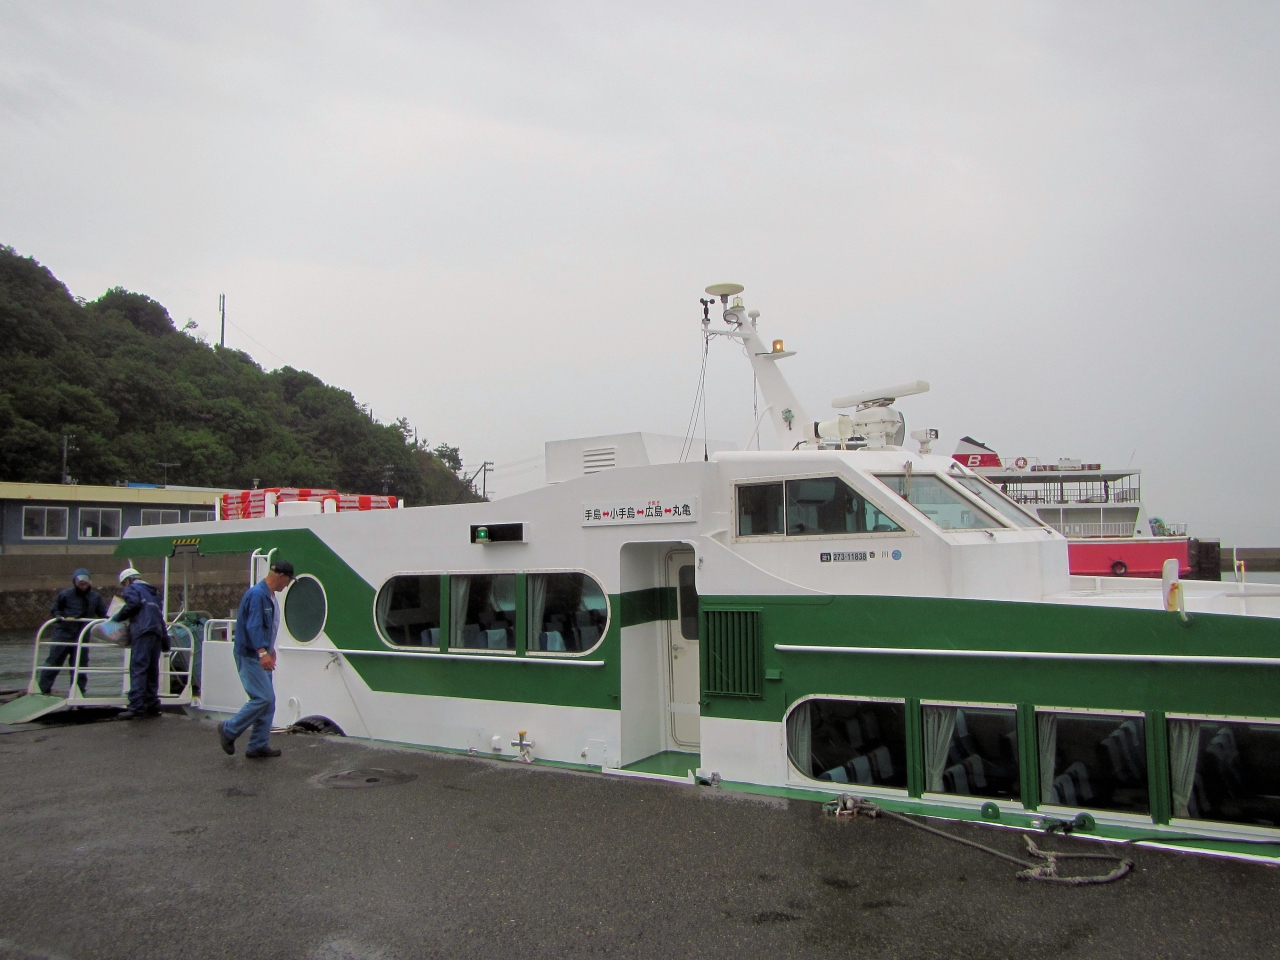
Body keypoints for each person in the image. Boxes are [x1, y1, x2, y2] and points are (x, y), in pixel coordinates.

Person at [217, 560, 294, 758]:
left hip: (259, 653)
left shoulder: (268, 595)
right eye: (287, 581)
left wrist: (269, 649)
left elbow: (267, 626)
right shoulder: (258, 595)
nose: (287, 586)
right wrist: (261, 652)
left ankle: (258, 745)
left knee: (269, 702)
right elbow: (254, 625)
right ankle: (228, 730)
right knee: (263, 698)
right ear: (281, 576)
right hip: (250, 655)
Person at [38, 568, 108, 697]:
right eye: (80, 582)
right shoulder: (66, 594)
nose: (83, 584)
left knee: (80, 665)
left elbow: (103, 613)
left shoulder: (95, 597)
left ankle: (78, 692)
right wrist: (58, 615)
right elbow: (55, 609)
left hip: (82, 635)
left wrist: (114, 618)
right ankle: (42, 690)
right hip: (63, 634)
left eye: (86, 581)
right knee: (54, 661)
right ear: (75, 582)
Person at [112, 567, 168, 720]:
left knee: (138, 668)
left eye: (124, 584)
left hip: (142, 631)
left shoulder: (131, 589)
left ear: (128, 580)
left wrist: (117, 617)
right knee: (152, 670)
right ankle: (152, 706)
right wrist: (165, 641)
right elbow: (159, 617)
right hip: (156, 633)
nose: (124, 587)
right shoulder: (153, 593)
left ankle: (136, 707)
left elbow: (133, 603)